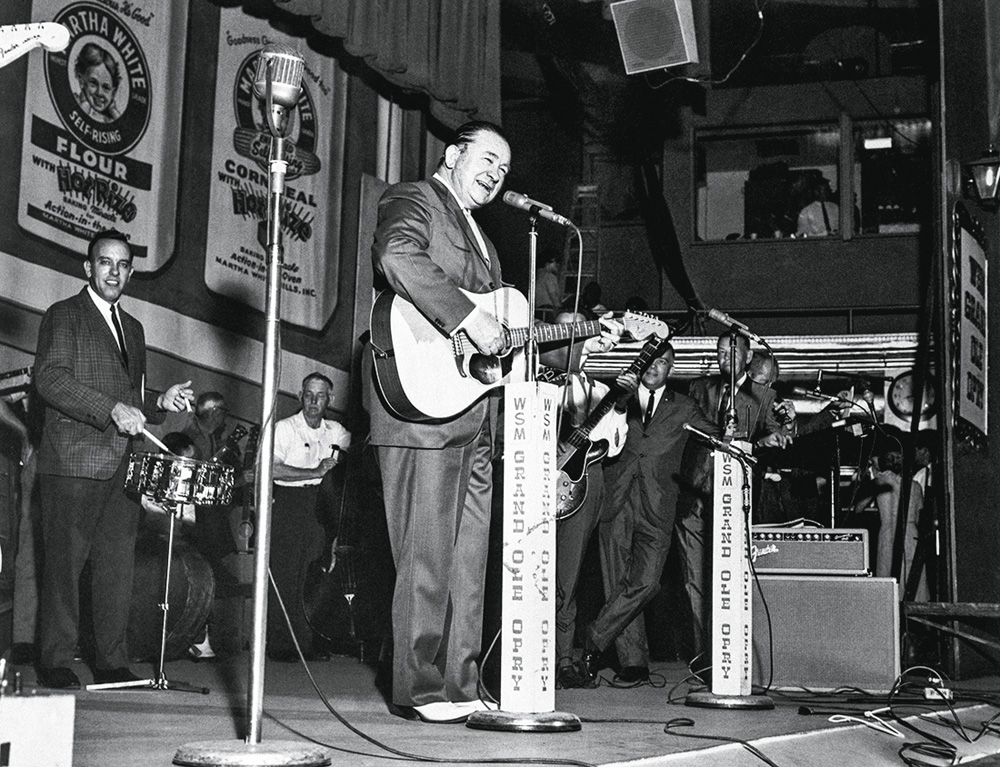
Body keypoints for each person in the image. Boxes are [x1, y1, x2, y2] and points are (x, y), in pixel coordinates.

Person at [367, 121, 513, 724]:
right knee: (425, 552)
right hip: (422, 405)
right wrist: (465, 319)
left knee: (469, 558)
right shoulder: (414, 197)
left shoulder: (485, 236)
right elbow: (396, 254)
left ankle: (461, 682)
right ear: (453, 154)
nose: (496, 175)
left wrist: (590, 337)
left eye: (504, 171)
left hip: (474, 412)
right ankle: (419, 688)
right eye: (487, 159)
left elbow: (501, 326)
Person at [33, 229, 195, 690]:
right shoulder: (63, 316)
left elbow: (133, 402)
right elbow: (49, 380)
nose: (114, 272)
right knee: (64, 566)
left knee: (115, 568)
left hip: (123, 465)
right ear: (89, 268)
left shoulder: (135, 330)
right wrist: (109, 409)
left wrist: (160, 404)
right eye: (105, 262)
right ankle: (55, 659)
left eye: (123, 265)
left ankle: (110, 659)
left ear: (130, 272)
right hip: (72, 462)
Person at [577, 344, 719, 686]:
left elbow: (717, 436)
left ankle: (594, 637)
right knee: (616, 581)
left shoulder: (684, 407)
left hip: (659, 504)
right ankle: (634, 662)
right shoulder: (617, 395)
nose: (655, 367)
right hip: (617, 499)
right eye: (651, 361)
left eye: (664, 363)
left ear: (672, 369)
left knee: (646, 582)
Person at [674, 332, 792, 666]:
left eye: (732, 352)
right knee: (692, 579)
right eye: (720, 353)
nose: (725, 358)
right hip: (694, 494)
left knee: (727, 575)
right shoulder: (699, 388)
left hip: (733, 497)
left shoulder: (764, 396)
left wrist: (777, 435)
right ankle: (703, 657)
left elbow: (778, 433)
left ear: (747, 355)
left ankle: (730, 651)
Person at [538, 312, 635, 690]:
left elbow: (614, 444)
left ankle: (561, 659)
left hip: (583, 482)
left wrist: (622, 404)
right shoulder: (534, 376)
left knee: (567, 575)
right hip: (536, 479)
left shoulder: (597, 386)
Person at [268, 373, 351, 662]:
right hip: (290, 503)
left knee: (314, 574)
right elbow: (271, 469)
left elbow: (345, 469)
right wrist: (315, 471)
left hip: (322, 505)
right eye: (308, 395)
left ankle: (308, 642)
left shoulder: (337, 431)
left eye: (320, 395)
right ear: (299, 396)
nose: (314, 401)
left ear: (330, 399)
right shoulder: (284, 428)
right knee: (286, 572)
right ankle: (281, 645)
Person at [73, 42, 121, 123]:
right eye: (93, 83)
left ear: (113, 92)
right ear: (81, 80)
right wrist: (85, 105)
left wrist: (113, 112)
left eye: (106, 87)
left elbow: (124, 131)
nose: (99, 92)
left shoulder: (110, 118)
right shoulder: (75, 102)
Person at [535, 250, 563, 321]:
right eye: (556, 262)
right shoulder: (549, 277)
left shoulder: (537, 275)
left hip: (537, 311)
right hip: (548, 311)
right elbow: (554, 296)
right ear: (547, 263)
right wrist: (561, 311)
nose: (558, 265)